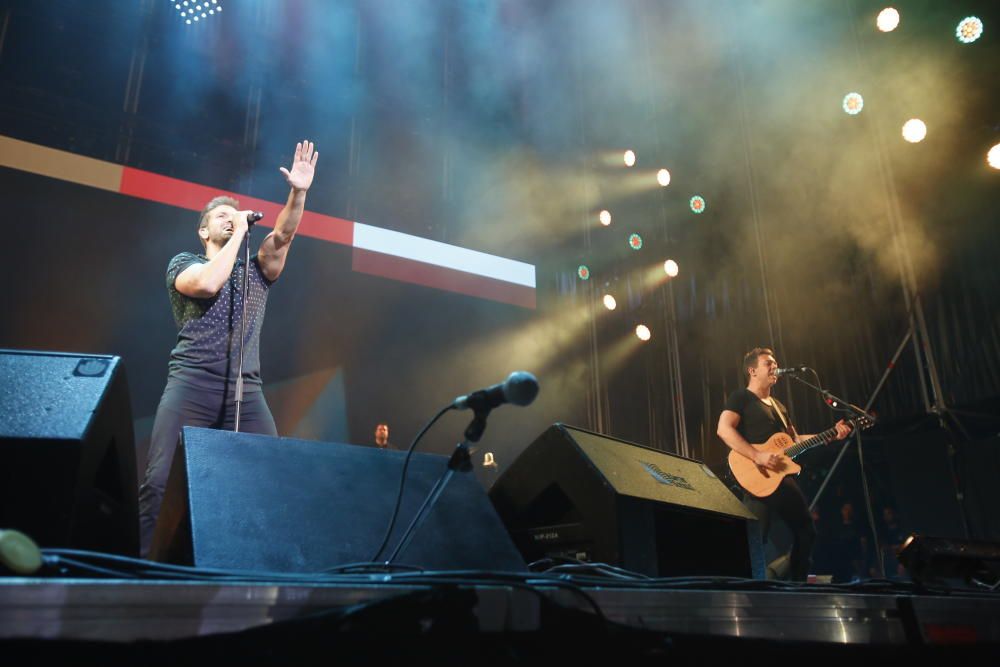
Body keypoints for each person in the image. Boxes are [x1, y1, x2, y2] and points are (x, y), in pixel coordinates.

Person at [137, 140, 319, 557]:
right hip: (192, 385)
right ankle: (146, 570)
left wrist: (299, 192)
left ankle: (258, 570)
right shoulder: (184, 264)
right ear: (203, 231)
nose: (230, 220)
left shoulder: (258, 272)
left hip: (247, 392)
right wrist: (238, 233)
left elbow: (284, 234)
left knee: (267, 478)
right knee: (161, 482)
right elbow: (208, 283)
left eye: (233, 216)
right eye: (221, 217)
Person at [716, 347, 852, 581]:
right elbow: (723, 429)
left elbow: (795, 440)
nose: (774, 366)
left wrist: (829, 434)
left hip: (778, 476)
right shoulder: (741, 398)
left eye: (775, 362)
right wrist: (757, 456)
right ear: (752, 371)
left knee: (798, 532)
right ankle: (749, 588)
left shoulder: (779, 406)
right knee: (765, 537)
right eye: (768, 363)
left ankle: (795, 586)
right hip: (756, 473)